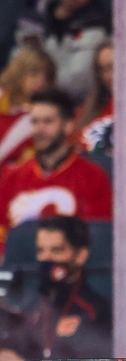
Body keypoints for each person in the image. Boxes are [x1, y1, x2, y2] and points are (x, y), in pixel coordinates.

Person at [0, 89, 111, 257]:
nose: (39, 129)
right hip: (21, 275)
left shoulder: (92, 176)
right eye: (35, 122)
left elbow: (97, 239)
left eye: (47, 121)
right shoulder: (12, 176)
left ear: (68, 125)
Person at [0, 216, 110, 361]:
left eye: (56, 250)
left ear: (81, 256)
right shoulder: (25, 304)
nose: (46, 258)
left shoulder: (96, 309)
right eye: (40, 251)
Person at [13, 0, 110, 102]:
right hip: (26, 103)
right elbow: (17, 64)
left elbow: (78, 82)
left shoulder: (99, 25)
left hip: (75, 108)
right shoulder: (36, 18)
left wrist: (39, 83)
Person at [0, 48, 56, 169]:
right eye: (34, 73)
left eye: (47, 76)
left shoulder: (45, 119)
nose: (41, 81)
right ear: (18, 73)